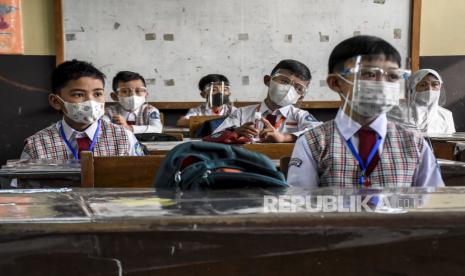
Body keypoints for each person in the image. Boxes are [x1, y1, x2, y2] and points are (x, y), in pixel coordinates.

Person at [287, 35, 444, 187]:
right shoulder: (314, 142)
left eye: (393, 76)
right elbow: (301, 205)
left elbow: (434, 205)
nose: (382, 84)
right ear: (336, 83)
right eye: (369, 74)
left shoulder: (414, 144)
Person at [21, 60, 144, 160]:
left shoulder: (123, 137)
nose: (91, 102)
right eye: (78, 95)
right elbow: (21, 187)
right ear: (56, 101)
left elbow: (141, 179)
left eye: (97, 94)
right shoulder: (36, 145)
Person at [213, 59, 321, 143]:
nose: (289, 89)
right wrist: (235, 133)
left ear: (300, 96)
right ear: (268, 80)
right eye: (284, 81)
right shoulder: (242, 113)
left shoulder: (300, 116)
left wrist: (285, 137)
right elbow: (214, 136)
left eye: (298, 88)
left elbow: (321, 133)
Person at [388, 69, 455, 134]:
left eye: (434, 84)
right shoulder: (397, 109)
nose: (429, 88)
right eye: (423, 85)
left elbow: (451, 142)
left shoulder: (446, 115)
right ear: (413, 88)